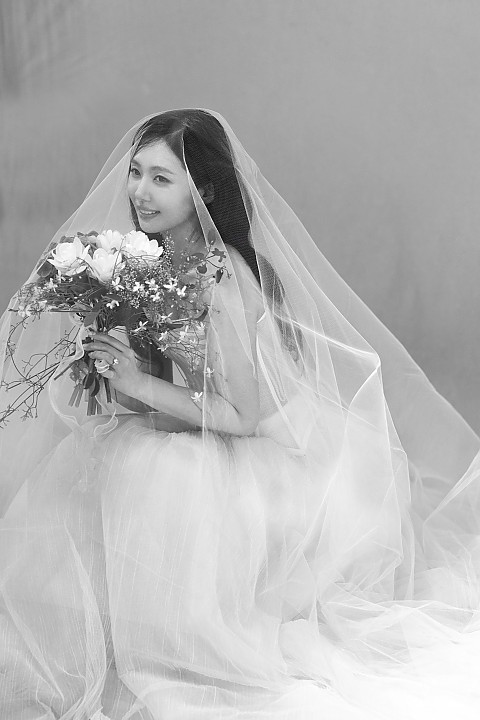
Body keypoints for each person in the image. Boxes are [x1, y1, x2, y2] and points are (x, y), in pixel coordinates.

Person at [0, 109, 479, 720]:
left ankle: (180, 649)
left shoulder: (219, 273)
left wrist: (138, 382)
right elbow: (158, 389)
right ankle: (114, 640)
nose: (140, 192)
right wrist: (115, 365)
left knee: (159, 477)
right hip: (194, 421)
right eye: (136, 172)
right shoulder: (147, 261)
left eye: (162, 179)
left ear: (201, 190)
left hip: (261, 449)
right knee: (98, 458)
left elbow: (241, 415)